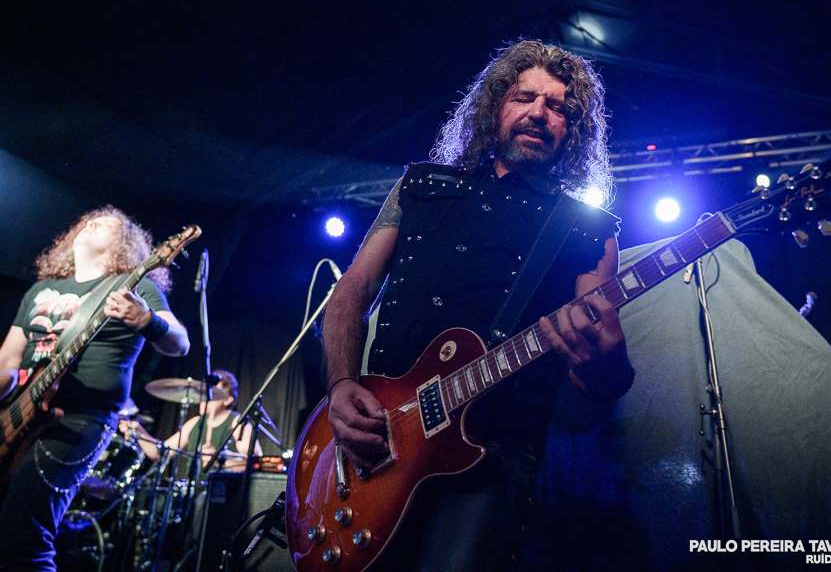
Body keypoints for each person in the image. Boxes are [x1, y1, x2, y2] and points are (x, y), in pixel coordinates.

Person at [322, 40, 635, 571]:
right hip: (380, 440)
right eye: (524, 97)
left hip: (492, 455)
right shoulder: (421, 187)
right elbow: (351, 291)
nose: (539, 113)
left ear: (574, 130)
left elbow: (599, 384)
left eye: (558, 107)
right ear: (494, 108)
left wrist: (607, 361)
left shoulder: (588, 229)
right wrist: (341, 385)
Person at [0, 205, 190, 571]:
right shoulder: (41, 290)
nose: (89, 223)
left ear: (123, 243)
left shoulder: (135, 286)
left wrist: (146, 320)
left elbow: (180, 343)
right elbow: (7, 359)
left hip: (79, 419)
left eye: (103, 224)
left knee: (23, 536)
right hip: (18, 412)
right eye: (87, 221)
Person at [122, 370, 260, 477]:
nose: (204, 396)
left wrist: (222, 460)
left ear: (228, 399)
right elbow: (161, 453)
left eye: (212, 392)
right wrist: (138, 430)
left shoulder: (236, 423)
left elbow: (256, 462)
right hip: (191, 492)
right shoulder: (194, 423)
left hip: (220, 494)